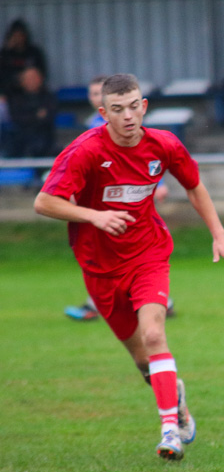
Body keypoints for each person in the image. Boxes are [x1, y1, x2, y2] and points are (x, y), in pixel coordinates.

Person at [34, 74, 224, 461]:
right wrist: (93, 216)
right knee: (140, 357)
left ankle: (169, 430)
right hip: (99, 267)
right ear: (103, 113)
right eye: (118, 110)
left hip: (148, 254)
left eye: (134, 106)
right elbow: (44, 202)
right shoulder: (84, 152)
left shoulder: (164, 144)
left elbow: (194, 185)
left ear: (144, 106)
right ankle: (175, 397)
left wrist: (220, 235)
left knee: (153, 335)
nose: (128, 116)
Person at [66, 76, 176, 322]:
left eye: (98, 93)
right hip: (105, 205)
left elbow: (146, 155)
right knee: (108, 255)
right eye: (92, 94)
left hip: (127, 199)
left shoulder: (125, 122)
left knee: (137, 252)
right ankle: (113, 302)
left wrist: (161, 183)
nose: (95, 98)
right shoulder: (91, 126)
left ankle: (154, 300)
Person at [4, 66, 55, 158]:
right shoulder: (15, 98)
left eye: (34, 77)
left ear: (41, 79)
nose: (32, 81)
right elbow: (17, 118)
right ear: (21, 82)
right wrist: (37, 116)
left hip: (45, 140)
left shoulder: (48, 96)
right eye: (28, 78)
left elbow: (48, 117)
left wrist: (30, 117)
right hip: (20, 140)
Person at [0, 19, 47, 98]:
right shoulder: (5, 54)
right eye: (15, 35)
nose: (18, 38)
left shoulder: (34, 52)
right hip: (11, 93)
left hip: (33, 92)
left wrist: (29, 79)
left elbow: (43, 73)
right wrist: (6, 50)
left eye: (20, 35)